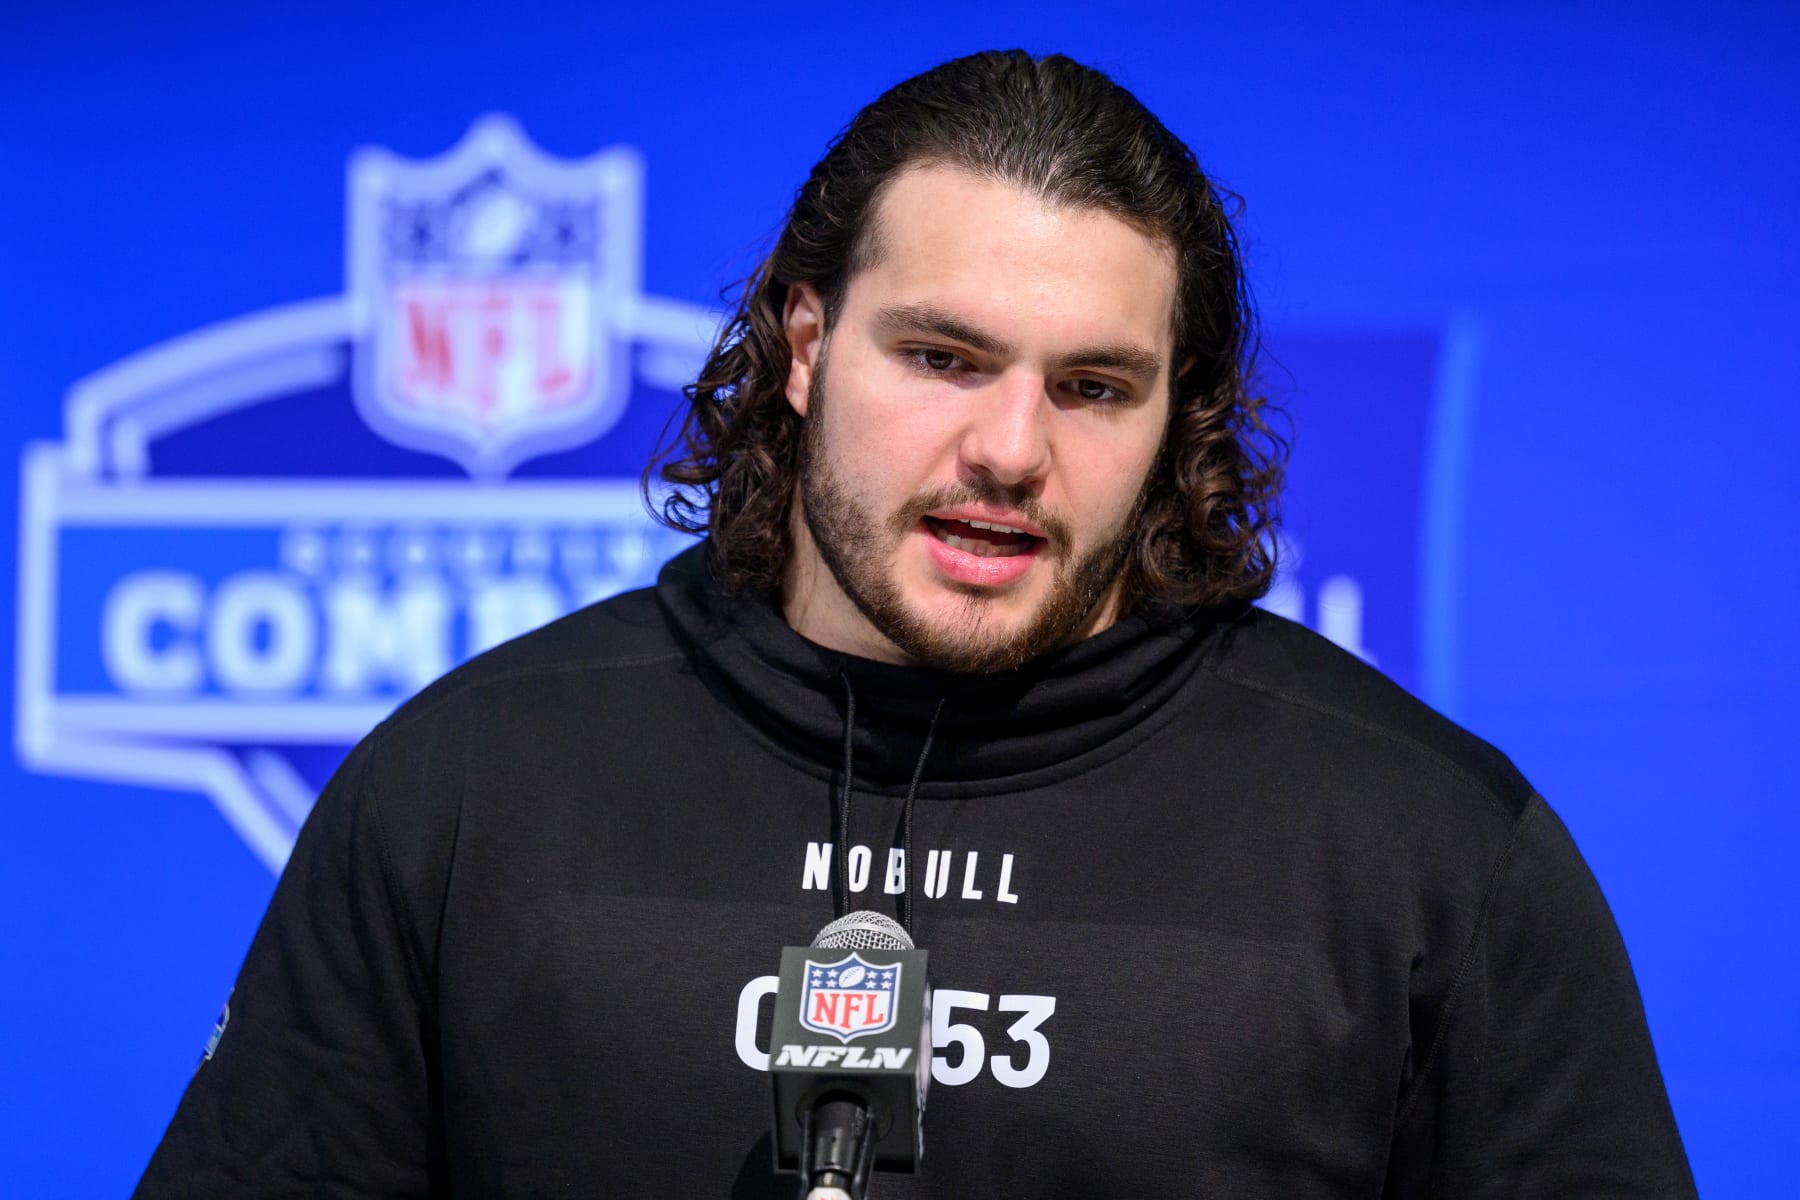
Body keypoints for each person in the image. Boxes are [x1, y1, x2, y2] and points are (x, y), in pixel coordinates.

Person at [136, 50, 1695, 1196]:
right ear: (806, 343)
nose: (1011, 449)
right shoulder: (469, 787)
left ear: (1179, 418)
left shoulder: (1426, 853)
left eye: (1094, 387)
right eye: (943, 358)